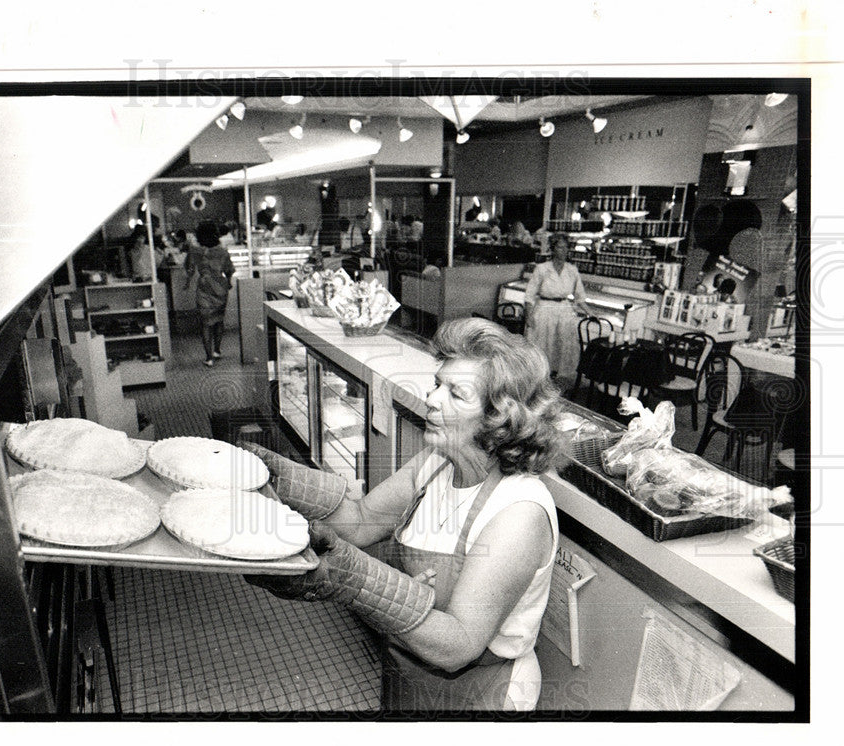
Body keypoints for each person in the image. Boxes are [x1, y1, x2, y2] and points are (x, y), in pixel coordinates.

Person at [243, 318, 564, 711]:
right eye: (437, 384)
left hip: (482, 695)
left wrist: (352, 579)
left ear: (499, 418)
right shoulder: (436, 463)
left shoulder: (518, 512)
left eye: (456, 394)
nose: (432, 399)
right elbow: (360, 520)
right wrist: (273, 473)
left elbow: (459, 645)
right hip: (408, 671)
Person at [524, 233, 594, 379]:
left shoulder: (572, 270)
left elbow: (580, 297)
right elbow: (529, 295)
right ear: (553, 249)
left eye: (566, 248)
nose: (563, 251)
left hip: (564, 311)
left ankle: (557, 379)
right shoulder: (542, 269)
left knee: (562, 347)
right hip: (544, 309)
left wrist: (590, 313)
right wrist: (528, 315)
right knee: (543, 345)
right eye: (560, 247)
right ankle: (540, 378)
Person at [183, 220, 235, 367]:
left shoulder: (194, 251)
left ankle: (209, 358)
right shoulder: (222, 251)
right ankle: (217, 350)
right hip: (220, 288)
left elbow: (190, 269)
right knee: (218, 320)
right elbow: (229, 270)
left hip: (204, 289)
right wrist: (229, 282)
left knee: (206, 324)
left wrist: (187, 282)